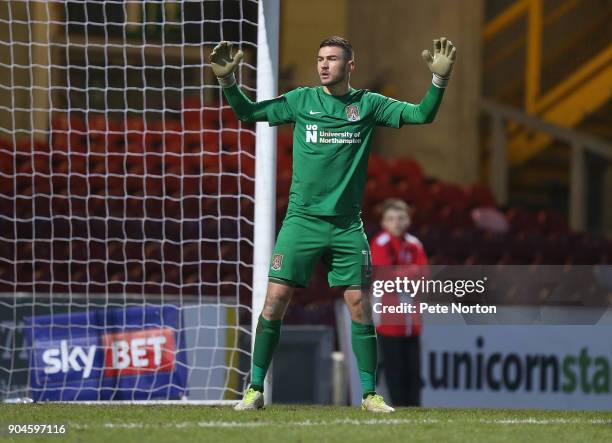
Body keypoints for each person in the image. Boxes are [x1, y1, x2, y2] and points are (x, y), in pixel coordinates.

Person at [209, 35, 456, 412]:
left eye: (332, 59)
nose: (324, 64)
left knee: (359, 304)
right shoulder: (301, 100)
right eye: (320, 58)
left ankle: (370, 394)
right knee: (275, 300)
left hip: (345, 226)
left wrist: (438, 81)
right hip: (301, 222)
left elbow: (422, 114)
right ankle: (254, 388)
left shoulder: (369, 104)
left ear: (350, 66)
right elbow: (248, 114)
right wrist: (228, 82)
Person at [370, 199, 427, 407]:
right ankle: (398, 408)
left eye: (401, 218)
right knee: (395, 371)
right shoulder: (380, 243)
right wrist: (410, 272)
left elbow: (424, 276)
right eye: (391, 219)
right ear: (384, 222)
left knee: (414, 372)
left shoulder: (415, 244)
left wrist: (402, 274)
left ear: (409, 220)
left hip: (412, 321)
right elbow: (384, 276)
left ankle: (414, 410)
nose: (397, 223)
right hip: (388, 320)